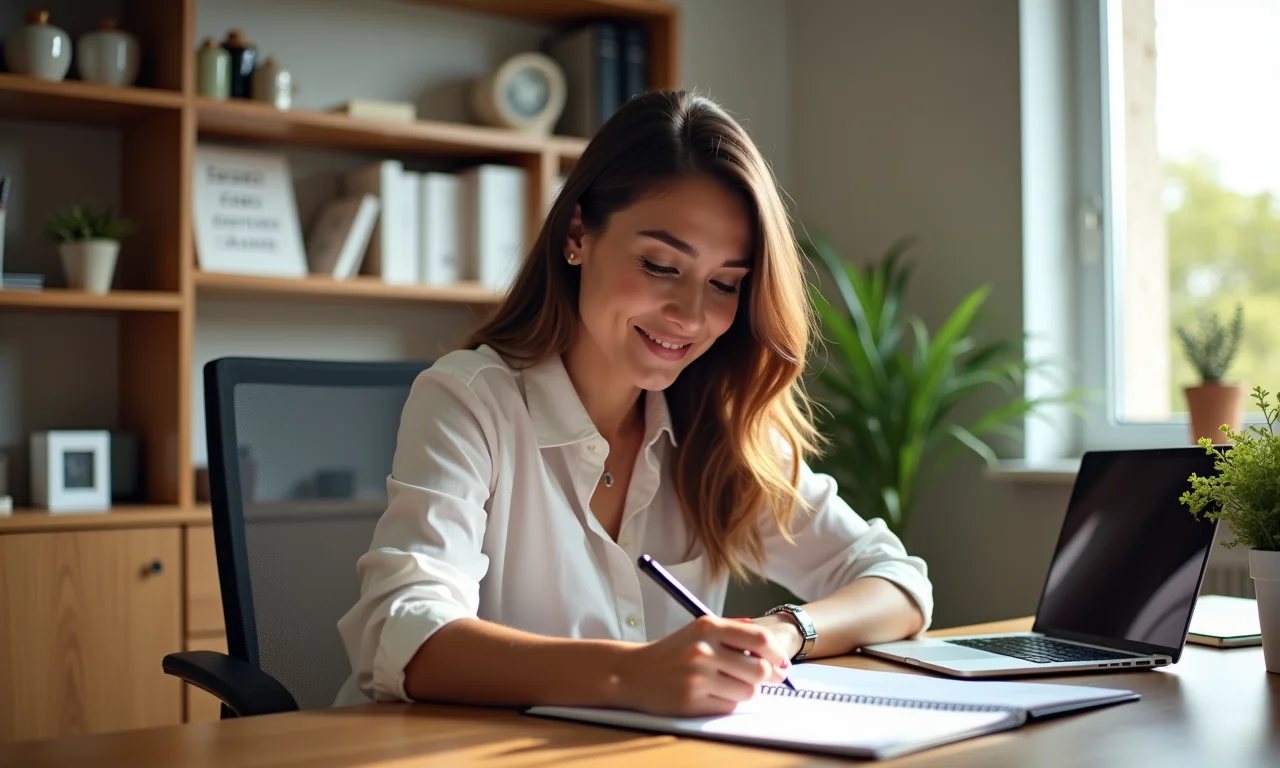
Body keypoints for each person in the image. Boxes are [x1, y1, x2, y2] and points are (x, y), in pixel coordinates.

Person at [334, 90, 932, 717]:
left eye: (725, 283)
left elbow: (898, 582)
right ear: (577, 235)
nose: (692, 316)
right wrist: (631, 674)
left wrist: (783, 633)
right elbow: (403, 633)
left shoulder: (720, 425)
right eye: (659, 265)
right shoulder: (470, 400)